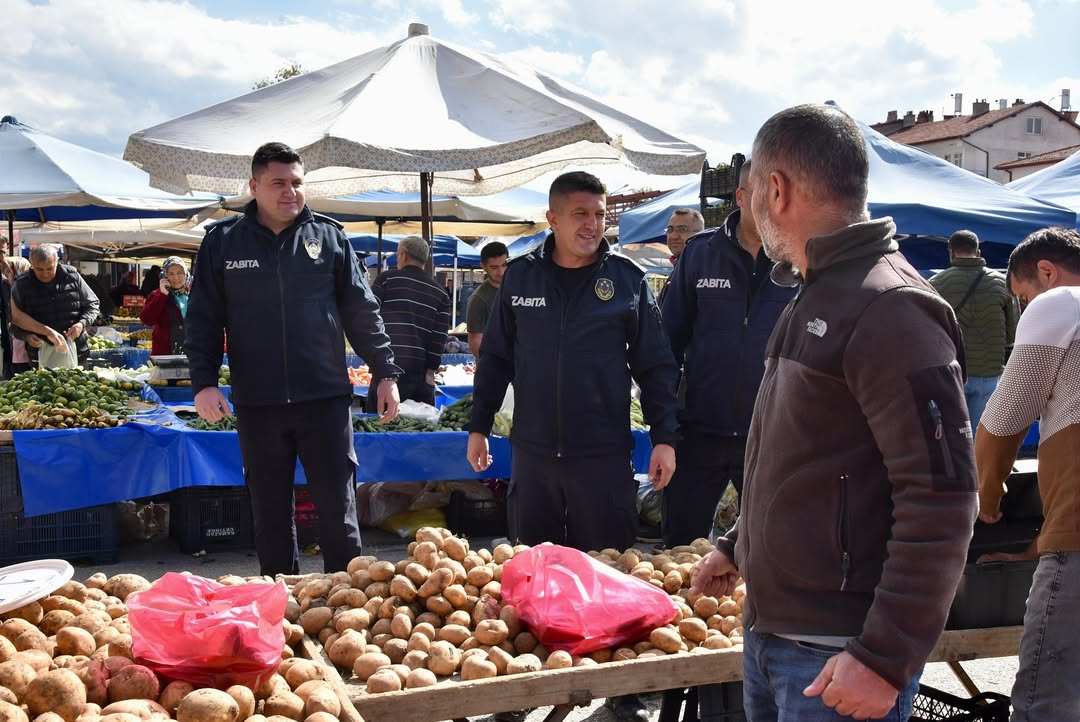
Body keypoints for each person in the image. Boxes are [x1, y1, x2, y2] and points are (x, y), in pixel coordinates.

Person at [691, 104, 977, 721]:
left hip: (836, 656)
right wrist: (739, 546)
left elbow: (944, 497)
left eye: (747, 193)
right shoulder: (815, 290)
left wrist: (885, 657)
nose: (746, 209)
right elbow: (803, 454)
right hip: (777, 641)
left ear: (775, 188)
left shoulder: (892, 307)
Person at [466, 171, 680, 722]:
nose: (593, 224)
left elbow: (656, 366)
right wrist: (480, 424)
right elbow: (495, 361)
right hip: (534, 453)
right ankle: (519, 695)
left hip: (602, 453)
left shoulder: (628, 279)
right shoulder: (520, 279)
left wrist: (664, 438)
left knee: (607, 573)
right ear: (553, 219)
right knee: (533, 576)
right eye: (581, 213)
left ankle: (621, 696)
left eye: (600, 213)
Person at [185, 141, 403, 578]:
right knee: (269, 511)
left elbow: (362, 310)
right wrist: (203, 382)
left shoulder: (329, 237)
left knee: (338, 511)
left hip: (324, 397)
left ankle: (347, 601)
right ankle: (279, 600)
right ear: (254, 185)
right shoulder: (223, 242)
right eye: (278, 183)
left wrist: (385, 371)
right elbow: (204, 318)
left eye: (297, 182)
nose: (290, 192)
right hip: (257, 400)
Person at [659, 160, 797, 549]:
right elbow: (666, 344)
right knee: (681, 545)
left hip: (769, 435)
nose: (772, 206)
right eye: (762, 196)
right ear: (740, 197)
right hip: (699, 431)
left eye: (778, 195)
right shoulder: (700, 254)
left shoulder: (798, 260)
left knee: (771, 548)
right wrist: (667, 425)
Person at [975, 226, 1080, 722]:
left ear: (1045, 272)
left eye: (1020, 297)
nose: (1021, 308)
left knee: (1046, 702)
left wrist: (987, 502)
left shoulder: (1060, 302)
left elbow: (1005, 419)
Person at [930, 230, 1019, 425]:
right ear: (978, 252)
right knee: (980, 434)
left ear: (951, 252)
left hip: (953, 369)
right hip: (989, 370)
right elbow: (1013, 335)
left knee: (955, 432)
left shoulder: (934, 285)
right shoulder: (1002, 284)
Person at [366, 236, 450, 408]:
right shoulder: (440, 293)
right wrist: (430, 371)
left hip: (386, 369)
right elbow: (439, 338)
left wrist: (374, 360)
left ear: (403, 255)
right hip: (419, 374)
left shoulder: (386, 279)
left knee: (379, 426)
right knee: (417, 430)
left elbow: (369, 316)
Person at [10, 244, 100, 367]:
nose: (45, 274)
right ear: (31, 265)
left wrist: (81, 324)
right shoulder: (21, 284)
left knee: (79, 385)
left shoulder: (72, 276)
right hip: (39, 355)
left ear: (57, 262)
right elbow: (14, 320)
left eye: (49, 268)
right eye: (39, 269)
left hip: (77, 351)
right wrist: (26, 336)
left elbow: (93, 304)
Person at [140, 256, 192, 356]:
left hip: (192, 355)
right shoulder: (157, 295)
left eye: (180, 273)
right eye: (171, 274)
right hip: (165, 356)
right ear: (165, 276)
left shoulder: (194, 295)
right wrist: (162, 295)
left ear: (186, 274)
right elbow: (147, 320)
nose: (176, 278)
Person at [466, 241, 509, 357]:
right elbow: (475, 341)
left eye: (504, 265)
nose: (501, 272)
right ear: (483, 267)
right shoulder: (479, 299)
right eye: (494, 267)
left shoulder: (520, 288)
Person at [657, 208, 705, 306]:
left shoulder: (705, 270)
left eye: (682, 229)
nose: (673, 236)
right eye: (670, 230)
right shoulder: (680, 267)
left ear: (700, 234)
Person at [5, 257, 31, 375]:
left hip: (27, 341)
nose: (5, 273)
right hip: (19, 340)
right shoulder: (9, 286)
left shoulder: (21, 289)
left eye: (9, 270)